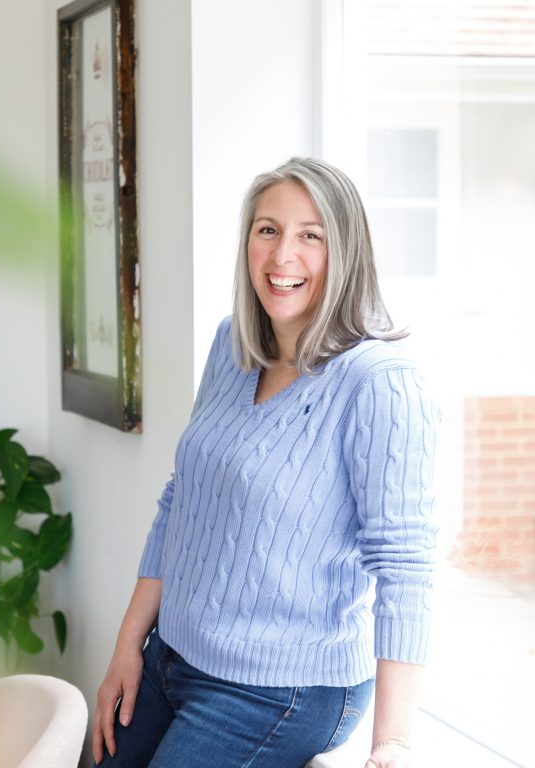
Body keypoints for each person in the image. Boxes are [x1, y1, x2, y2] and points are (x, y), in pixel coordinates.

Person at [93, 157, 439, 768]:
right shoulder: (232, 346)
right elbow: (182, 501)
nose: (283, 257)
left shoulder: (378, 382)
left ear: (346, 253)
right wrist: (128, 647)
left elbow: (405, 567)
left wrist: (393, 744)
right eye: (268, 229)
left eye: (311, 235)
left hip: (281, 687)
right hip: (169, 653)